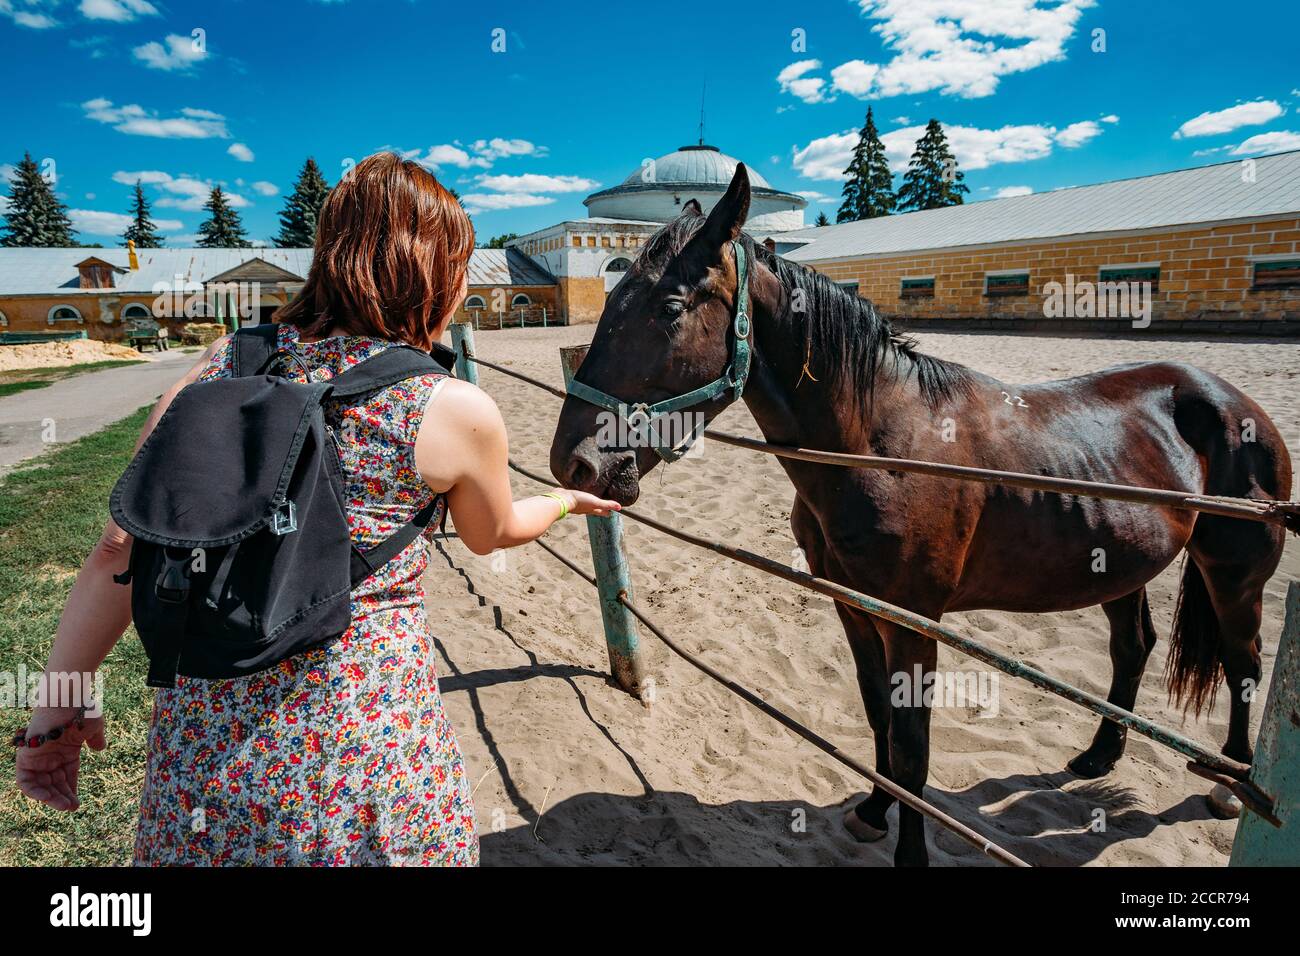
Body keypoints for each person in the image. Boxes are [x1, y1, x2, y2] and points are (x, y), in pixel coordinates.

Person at [13, 151, 620, 866]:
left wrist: (55, 710)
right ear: (439, 271)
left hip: (206, 753)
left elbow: (119, 549)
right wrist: (559, 501)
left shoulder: (221, 367)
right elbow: (493, 534)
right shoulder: (452, 407)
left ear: (329, 253)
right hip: (363, 748)